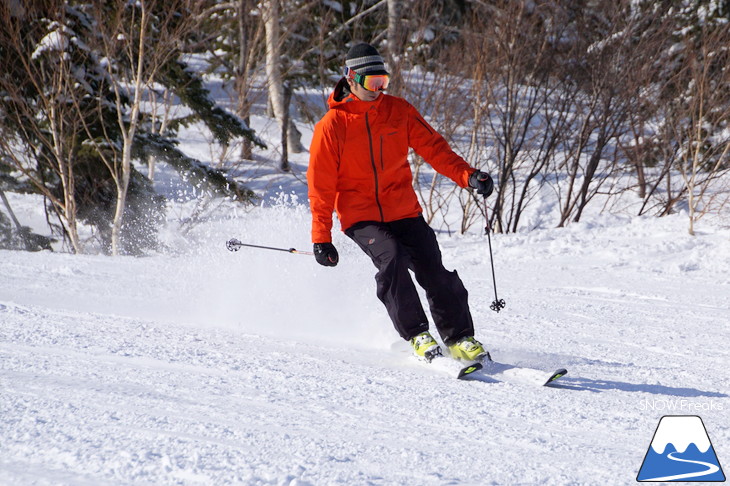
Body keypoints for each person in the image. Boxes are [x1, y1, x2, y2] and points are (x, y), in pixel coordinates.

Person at [306, 42, 494, 363]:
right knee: (391, 258)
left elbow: (435, 149)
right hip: (360, 216)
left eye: (384, 82)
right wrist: (321, 238)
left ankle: (460, 339)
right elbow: (321, 186)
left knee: (434, 271)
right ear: (351, 80)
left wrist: (469, 176)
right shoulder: (332, 126)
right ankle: (417, 333)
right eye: (371, 83)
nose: (378, 90)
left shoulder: (399, 111)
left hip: (404, 210)